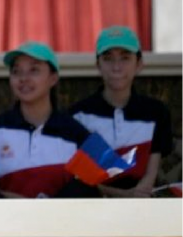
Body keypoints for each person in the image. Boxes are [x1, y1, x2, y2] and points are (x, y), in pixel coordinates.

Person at [0, 42, 98, 198]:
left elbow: (97, 186)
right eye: (16, 71)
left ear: (53, 78)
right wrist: (9, 202)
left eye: (34, 70)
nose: (23, 78)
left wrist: (49, 208)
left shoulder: (77, 132)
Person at [70, 26, 173, 197]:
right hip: (94, 202)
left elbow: (151, 173)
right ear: (98, 65)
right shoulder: (78, 115)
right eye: (108, 59)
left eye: (125, 58)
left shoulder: (156, 112)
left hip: (142, 202)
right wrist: (123, 196)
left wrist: (138, 195)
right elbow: (80, 178)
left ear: (138, 64)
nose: (116, 67)